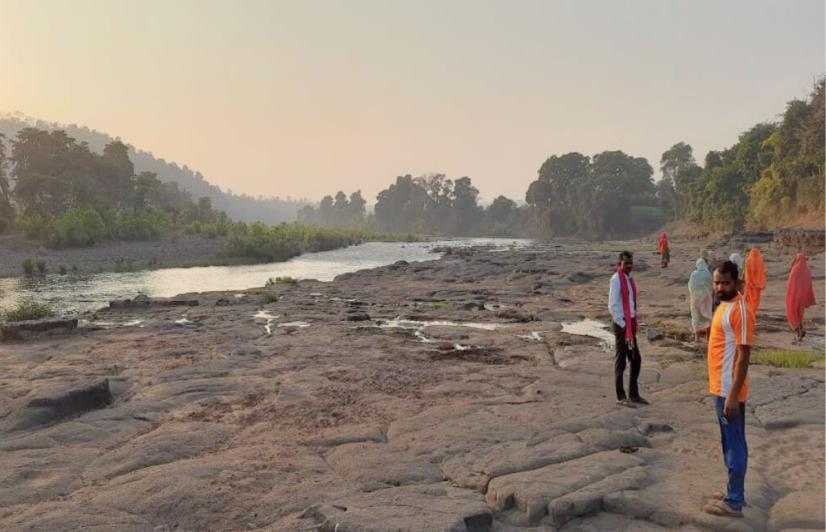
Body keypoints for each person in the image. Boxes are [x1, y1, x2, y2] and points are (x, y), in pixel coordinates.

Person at [704, 260, 755, 518]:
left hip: (728, 390)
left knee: (734, 443)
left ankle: (734, 501)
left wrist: (734, 395)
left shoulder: (741, 310)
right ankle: (733, 491)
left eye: (725, 282)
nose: (720, 287)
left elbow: (744, 355)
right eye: (716, 282)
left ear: (737, 283)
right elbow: (725, 336)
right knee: (729, 441)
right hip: (719, 386)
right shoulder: (724, 305)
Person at [608, 251, 647, 407]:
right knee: (621, 361)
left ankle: (633, 394)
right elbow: (612, 305)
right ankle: (621, 396)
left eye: (631, 263)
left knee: (635, 359)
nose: (629, 266)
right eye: (626, 263)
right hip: (622, 325)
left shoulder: (629, 279)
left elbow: (630, 302)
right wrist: (623, 325)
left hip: (629, 325)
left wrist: (632, 321)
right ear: (620, 263)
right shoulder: (616, 280)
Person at [786, 253, 815, 343]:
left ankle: (799, 332)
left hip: (794, 297)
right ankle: (801, 331)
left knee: (793, 314)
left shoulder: (795, 269)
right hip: (802, 297)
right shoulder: (807, 270)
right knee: (800, 315)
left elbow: (790, 285)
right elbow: (809, 285)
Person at [688, 258, 713, 345]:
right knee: (707, 317)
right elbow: (711, 286)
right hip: (706, 299)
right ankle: (708, 338)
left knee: (696, 318)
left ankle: (697, 338)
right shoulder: (708, 274)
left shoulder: (694, 274)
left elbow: (690, 286)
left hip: (695, 300)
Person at [743, 247, 767, 314]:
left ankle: (748, 313)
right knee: (755, 300)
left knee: (749, 300)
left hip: (749, 284)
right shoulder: (760, 259)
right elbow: (762, 272)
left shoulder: (748, 260)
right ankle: (752, 312)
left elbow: (747, 273)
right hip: (757, 285)